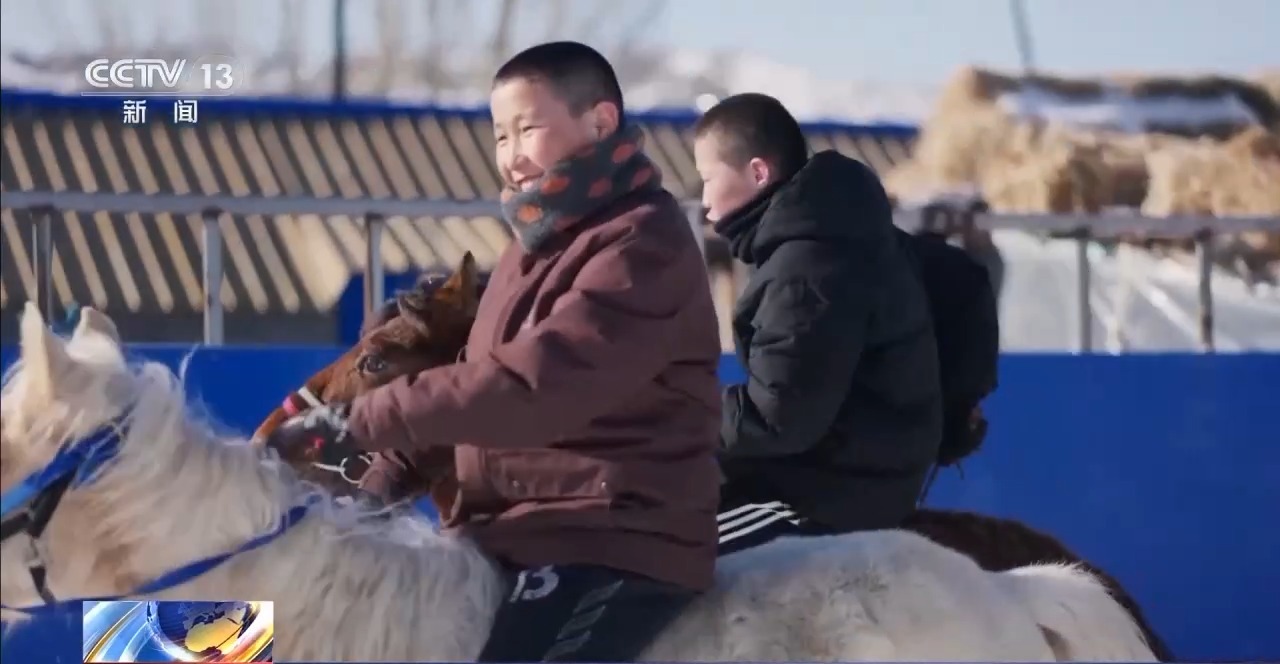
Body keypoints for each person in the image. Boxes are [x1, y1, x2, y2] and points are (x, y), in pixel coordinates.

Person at [268, 41, 723, 662]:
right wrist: (372, 494)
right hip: (503, 539)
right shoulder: (530, 250)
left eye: (527, 129)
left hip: (610, 543)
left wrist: (360, 419)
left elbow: (536, 388)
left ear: (600, 123)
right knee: (309, 624)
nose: (510, 156)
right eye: (500, 137)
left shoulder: (642, 245)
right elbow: (471, 388)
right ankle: (144, 643)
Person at [692, 93, 943, 555]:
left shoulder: (807, 267)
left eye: (708, 179)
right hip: (849, 473)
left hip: (830, 493)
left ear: (758, 173)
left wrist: (680, 415)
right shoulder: (822, 238)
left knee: (665, 553)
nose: (704, 201)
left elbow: (779, 420)